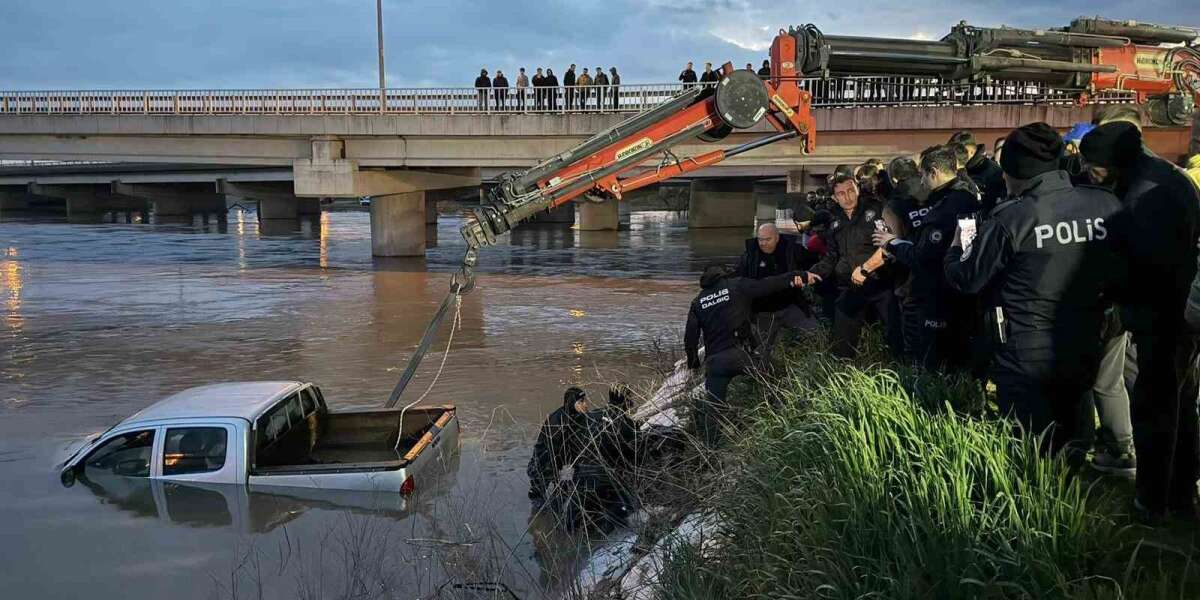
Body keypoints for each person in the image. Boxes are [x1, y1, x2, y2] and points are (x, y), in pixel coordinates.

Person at [943, 122, 1128, 466]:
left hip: (1026, 350)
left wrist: (955, 249)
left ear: (1016, 172)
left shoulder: (1012, 218)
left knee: (1031, 451)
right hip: (1088, 338)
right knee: (1074, 436)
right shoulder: (1105, 204)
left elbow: (967, 279)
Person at [1080, 120, 1200, 518]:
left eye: (1093, 164)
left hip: (1163, 315)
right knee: (1182, 403)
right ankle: (1182, 493)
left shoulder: (1144, 197)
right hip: (1182, 312)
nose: (1089, 172)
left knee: (1154, 409)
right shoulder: (1169, 176)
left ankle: (1151, 501)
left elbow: (1145, 268)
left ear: (1114, 161)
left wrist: (1113, 295)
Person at [874, 148, 976, 368]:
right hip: (963, 289)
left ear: (934, 172)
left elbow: (923, 257)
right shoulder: (969, 197)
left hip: (934, 291)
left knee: (927, 360)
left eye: (923, 175)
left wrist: (891, 242)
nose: (921, 181)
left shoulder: (943, 207)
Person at [684, 265, 805, 446]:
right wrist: (797, 276)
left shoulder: (697, 302)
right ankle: (786, 422)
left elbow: (690, 338)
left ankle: (710, 452)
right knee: (777, 375)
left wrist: (694, 364)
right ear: (723, 276)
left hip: (716, 363)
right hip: (741, 356)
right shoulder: (736, 285)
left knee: (714, 410)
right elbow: (768, 284)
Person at [801, 174, 902, 358]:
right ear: (835, 197)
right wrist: (811, 274)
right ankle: (842, 367)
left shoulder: (877, 209)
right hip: (852, 285)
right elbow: (832, 256)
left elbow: (889, 247)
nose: (847, 197)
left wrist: (865, 268)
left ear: (858, 189)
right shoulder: (834, 220)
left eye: (850, 191)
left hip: (881, 283)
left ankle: (902, 367)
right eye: (841, 194)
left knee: (895, 336)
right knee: (842, 336)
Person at [736, 223, 814, 349]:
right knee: (761, 350)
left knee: (813, 334)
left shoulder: (792, 250)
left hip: (790, 306)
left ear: (777, 238)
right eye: (760, 239)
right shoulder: (749, 257)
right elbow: (739, 283)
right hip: (762, 312)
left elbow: (814, 266)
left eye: (768, 239)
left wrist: (805, 280)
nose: (763, 243)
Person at [527, 387, 591, 505]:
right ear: (572, 403)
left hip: (565, 462)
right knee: (537, 496)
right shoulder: (556, 422)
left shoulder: (580, 417)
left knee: (563, 494)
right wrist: (564, 471)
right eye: (581, 401)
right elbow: (550, 451)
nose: (585, 404)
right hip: (546, 462)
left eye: (584, 400)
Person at [950, 130, 1006, 216]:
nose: (955, 156)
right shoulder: (954, 168)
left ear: (971, 151)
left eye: (959, 152)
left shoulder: (993, 172)